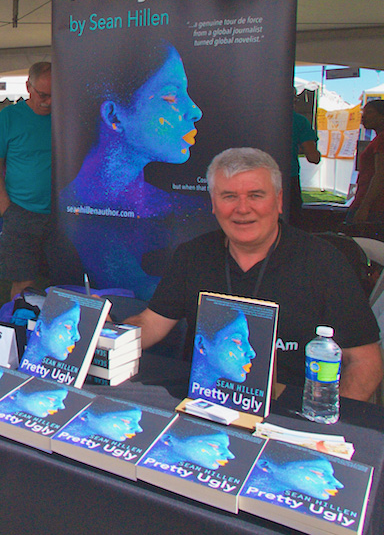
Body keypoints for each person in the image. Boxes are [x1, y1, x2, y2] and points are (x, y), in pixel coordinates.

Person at [126, 147, 383, 400]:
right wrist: (102, 334)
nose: (242, 208)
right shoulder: (192, 255)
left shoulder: (323, 262)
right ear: (214, 204)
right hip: (202, 403)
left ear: (279, 201)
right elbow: (150, 324)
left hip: (289, 415)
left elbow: (365, 361)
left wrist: (324, 425)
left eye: (256, 195)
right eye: (228, 196)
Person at [57, 38, 207, 299]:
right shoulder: (75, 217)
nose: (194, 111)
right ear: (114, 116)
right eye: (171, 95)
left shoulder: (181, 208)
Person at [0, 62, 82, 299]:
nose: (48, 101)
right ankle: (19, 330)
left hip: (62, 215)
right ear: (28, 87)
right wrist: (6, 208)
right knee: (23, 284)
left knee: (65, 283)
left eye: (53, 95)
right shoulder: (10, 117)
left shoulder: (65, 118)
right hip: (20, 212)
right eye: (42, 95)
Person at [348, 99, 384, 227]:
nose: (364, 117)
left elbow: (380, 175)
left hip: (374, 206)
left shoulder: (381, 139)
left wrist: (364, 206)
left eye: (369, 112)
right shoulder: (377, 139)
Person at [289, 106, 321, 226]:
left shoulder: (250, 116)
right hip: (287, 179)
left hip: (251, 177)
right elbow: (314, 157)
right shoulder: (298, 120)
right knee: (291, 222)